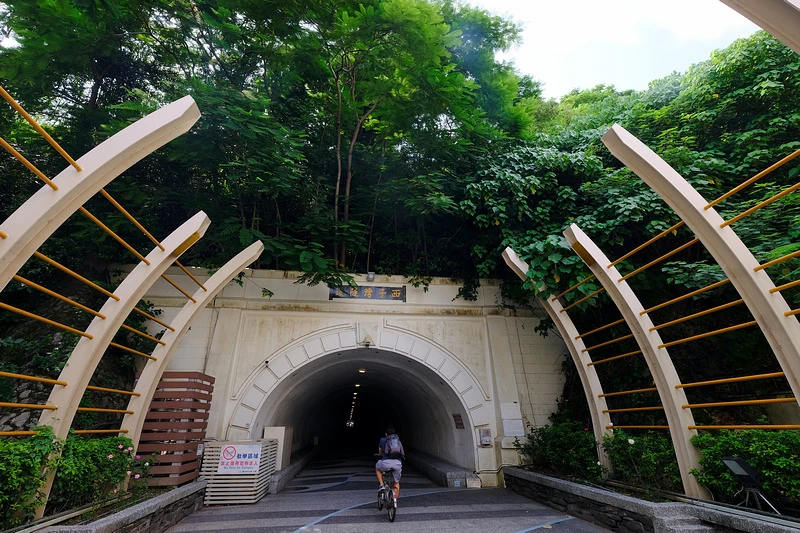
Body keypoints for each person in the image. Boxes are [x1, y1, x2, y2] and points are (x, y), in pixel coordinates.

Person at [375, 427, 404, 504]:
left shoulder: (382, 440)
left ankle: (381, 485)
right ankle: (394, 501)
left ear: (386, 434)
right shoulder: (397, 440)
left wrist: (380, 454)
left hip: (386, 463)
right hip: (397, 463)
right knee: (396, 482)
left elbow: (380, 452)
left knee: (377, 467)